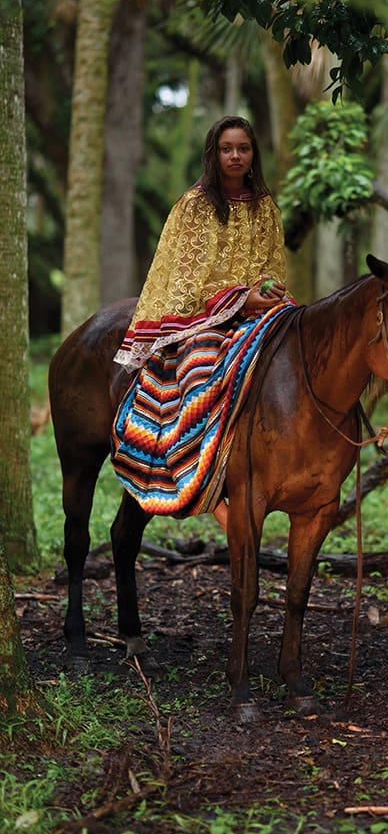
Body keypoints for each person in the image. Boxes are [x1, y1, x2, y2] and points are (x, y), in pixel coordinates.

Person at [111, 116, 295, 528]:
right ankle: (205, 488)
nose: (235, 156)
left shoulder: (265, 206)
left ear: (253, 155)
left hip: (256, 313)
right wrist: (238, 298)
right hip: (200, 319)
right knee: (197, 368)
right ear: (213, 154)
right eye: (227, 148)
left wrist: (265, 291)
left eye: (243, 148)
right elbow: (183, 279)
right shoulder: (194, 205)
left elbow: (271, 268)